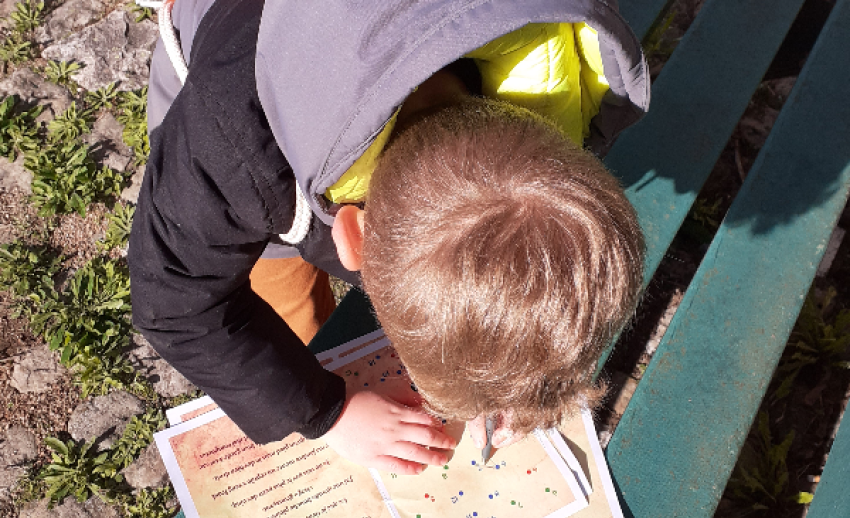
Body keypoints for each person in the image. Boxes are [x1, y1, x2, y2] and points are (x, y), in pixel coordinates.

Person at [130, 0, 649, 475]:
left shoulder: (562, 91)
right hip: (227, 56)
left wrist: (516, 367)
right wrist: (326, 412)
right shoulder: (230, 156)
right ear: (353, 238)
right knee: (283, 287)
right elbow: (176, 300)